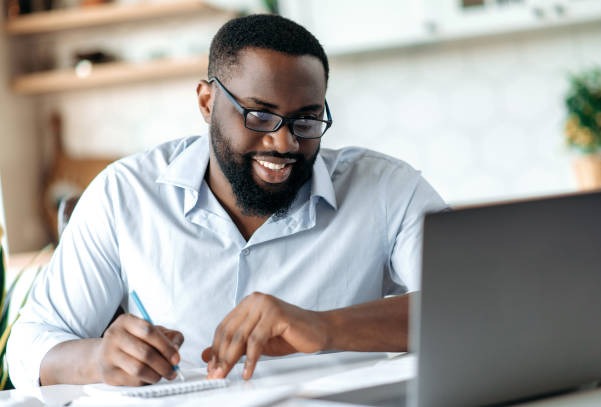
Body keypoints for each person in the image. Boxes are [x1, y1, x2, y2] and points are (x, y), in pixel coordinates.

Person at [7, 14, 446, 388]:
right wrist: (97, 359)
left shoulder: (386, 189)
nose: (283, 142)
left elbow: (475, 304)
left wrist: (323, 327)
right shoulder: (125, 194)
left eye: (307, 120)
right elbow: (28, 346)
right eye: (259, 115)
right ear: (206, 100)